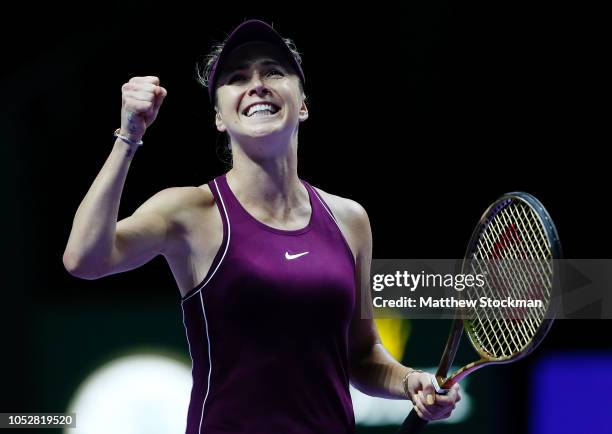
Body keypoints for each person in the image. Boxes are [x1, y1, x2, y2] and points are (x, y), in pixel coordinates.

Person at [63, 19, 461, 434]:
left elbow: (362, 355)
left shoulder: (350, 219)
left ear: (302, 104)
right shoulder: (190, 211)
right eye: (237, 78)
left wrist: (410, 381)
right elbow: (84, 259)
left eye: (273, 71)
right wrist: (128, 137)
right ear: (219, 116)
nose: (257, 84)